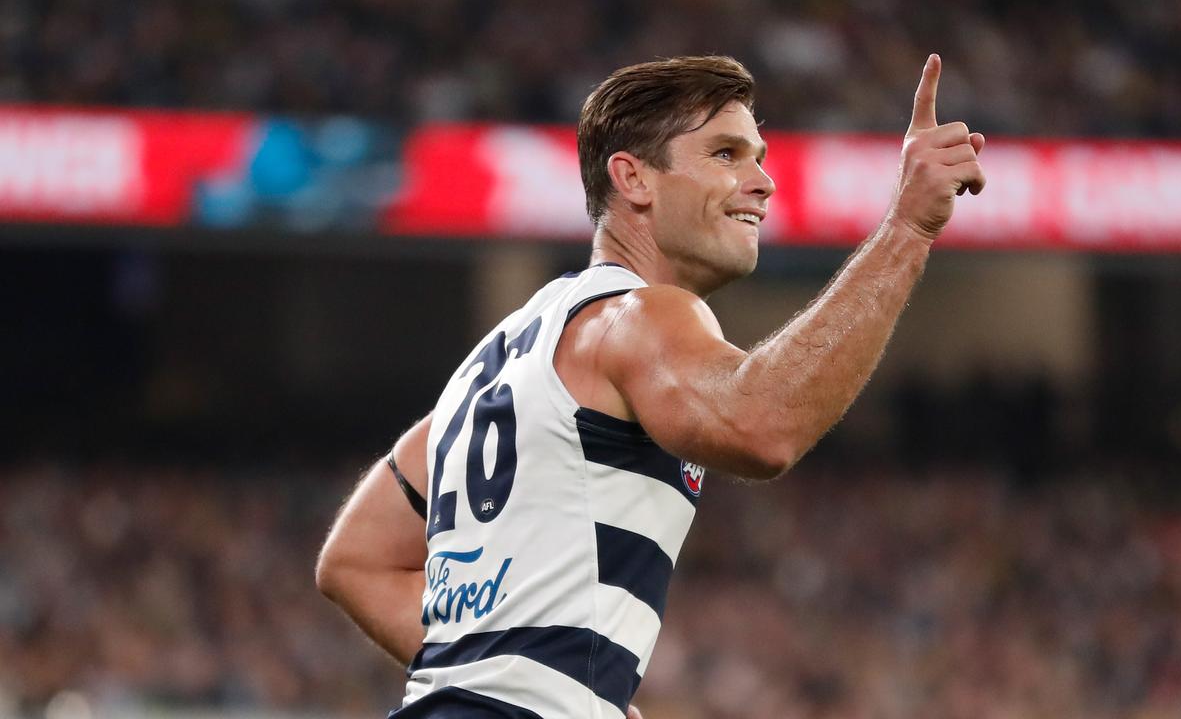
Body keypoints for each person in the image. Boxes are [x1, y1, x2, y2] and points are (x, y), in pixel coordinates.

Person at [316, 53, 984, 718]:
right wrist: (907, 228)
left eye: (759, 156)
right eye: (726, 154)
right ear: (633, 178)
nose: (763, 182)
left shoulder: (503, 356)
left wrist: (532, 682)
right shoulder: (640, 317)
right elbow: (762, 427)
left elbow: (354, 561)